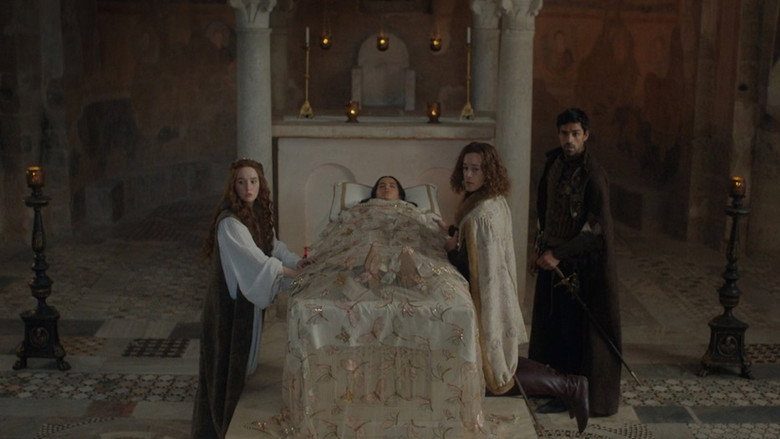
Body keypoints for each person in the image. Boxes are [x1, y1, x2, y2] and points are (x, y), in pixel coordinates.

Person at [438, 142, 589, 433]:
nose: (468, 175)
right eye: (465, 168)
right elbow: (481, 252)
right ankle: (569, 384)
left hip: (486, 299)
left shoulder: (482, 215)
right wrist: (455, 233)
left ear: (489, 172)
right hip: (497, 294)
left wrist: (450, 249)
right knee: (500, 362)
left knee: (495, 374)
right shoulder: (492, 200)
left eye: (476, 169)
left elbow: (473, 269)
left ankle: (570, 385)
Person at [192, 158, 314, 439]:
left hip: (244, 303)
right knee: (224, 369)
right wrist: (290, 272)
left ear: (261, 184)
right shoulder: (230, 223)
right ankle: (216, 427)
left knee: (241, 366)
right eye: (241, 182)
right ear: (233, 187)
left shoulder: (256, 214)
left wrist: (298, 262)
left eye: (253, 181)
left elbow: (274, 247)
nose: (248, 187)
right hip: (228, 309)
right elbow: (256, 262)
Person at [528, 108, 621, 417]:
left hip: (579, 265)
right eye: (564, 133)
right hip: (550, 259)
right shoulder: (553, 164)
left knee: (572, 332)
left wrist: (560, 254)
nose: (569, 140)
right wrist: (540, 249)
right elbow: (543, 212)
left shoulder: (593, 173)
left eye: (575, 134)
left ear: (586, 135)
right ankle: (550, 385)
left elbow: (597, 229)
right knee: (551, 325)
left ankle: (571, 393)